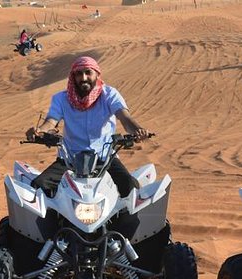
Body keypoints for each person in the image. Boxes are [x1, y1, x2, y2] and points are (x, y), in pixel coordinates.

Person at [26, 56, 150, 198]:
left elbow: (125, 118)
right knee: (39, 186)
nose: (83, 77)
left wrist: (137, 130)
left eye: (88, 72)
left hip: (105, 160)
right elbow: (51, 121)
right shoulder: (61, 99)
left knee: (130, 187)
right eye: (79, 74)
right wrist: (40, 131)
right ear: (73, 77)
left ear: (97, 74)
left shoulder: (109, 95)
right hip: (70, 160)